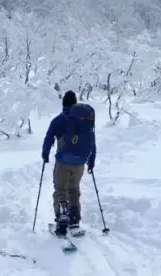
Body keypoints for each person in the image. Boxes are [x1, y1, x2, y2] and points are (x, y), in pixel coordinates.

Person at [41, 90, 97, 236]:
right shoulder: (84, 119)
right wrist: (91, 160)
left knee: (60, 190)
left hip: (63, 162)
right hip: (80, 163)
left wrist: (45, 154)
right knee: (74, 190)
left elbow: (48, 138)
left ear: (63, 103)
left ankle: (62, 216)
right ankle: (74, 220)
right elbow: (92, 141)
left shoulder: (58, 120)